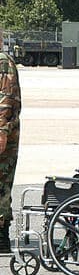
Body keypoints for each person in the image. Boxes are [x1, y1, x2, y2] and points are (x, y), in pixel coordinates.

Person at [0, 31, 21, 253]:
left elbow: (7, 100)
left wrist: (2, 132)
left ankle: (1, 236)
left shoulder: (3, 62)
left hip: (3, 135)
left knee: (1, 185)